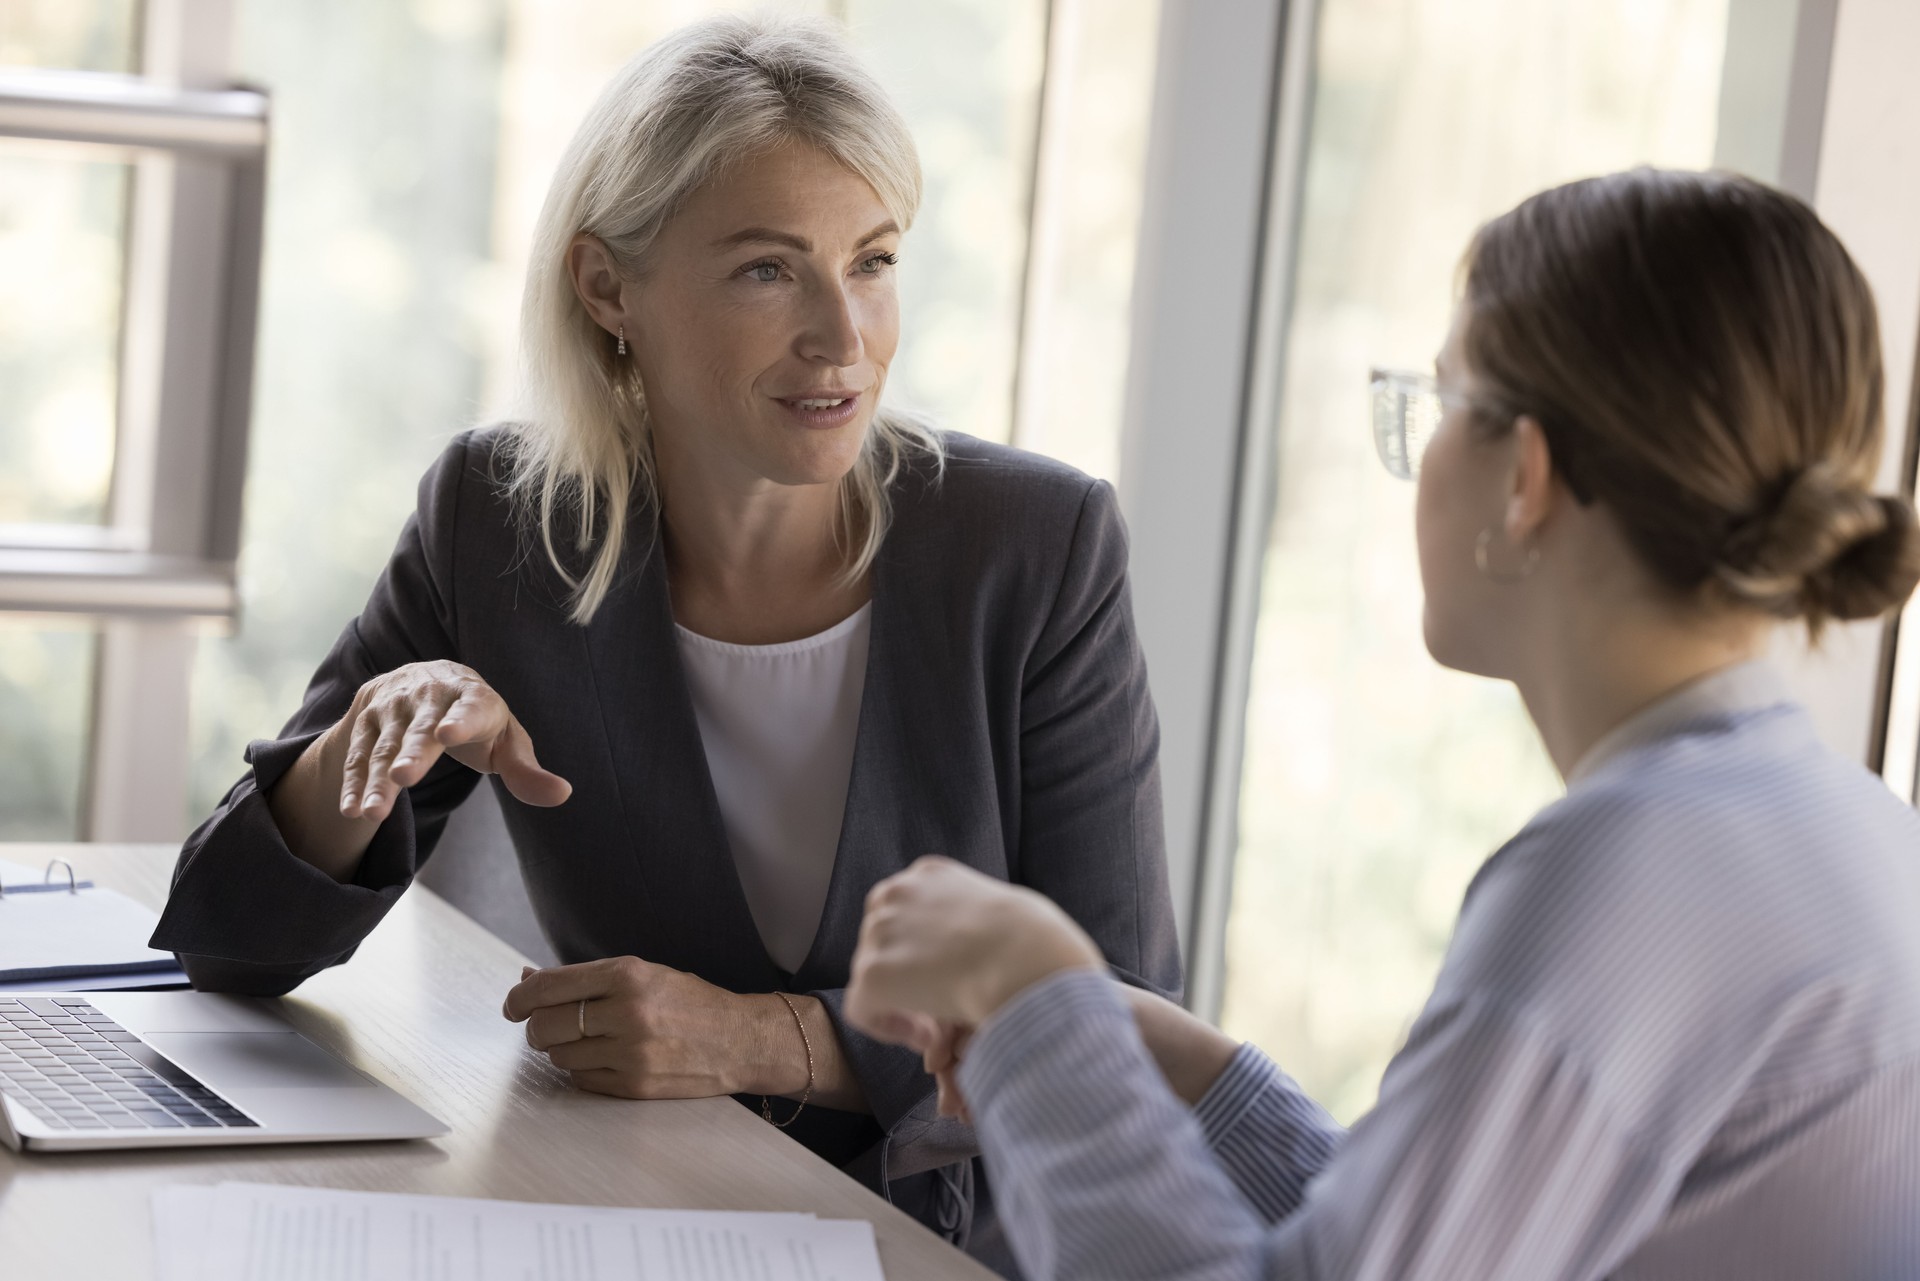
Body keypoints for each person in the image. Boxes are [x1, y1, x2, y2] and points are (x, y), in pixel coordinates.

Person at [152, 13, 1178, 1253]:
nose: (843, 339)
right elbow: (222, 944)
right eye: (767, 269)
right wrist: (355, 759)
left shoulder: (1035, 546)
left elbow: (1124, 1019)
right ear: (606, 287)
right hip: (624, 1217)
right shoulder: (504, 523)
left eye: (872, 260)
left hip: (954, 1246)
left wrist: (764, 1037)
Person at [843, 168, 1920, 1279]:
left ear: (1526, 480)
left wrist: (1036, 1005)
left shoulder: (1636, 868)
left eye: (1444, 402)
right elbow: (1434, 1240)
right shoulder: (1834, 824)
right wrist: (1170, 1060)